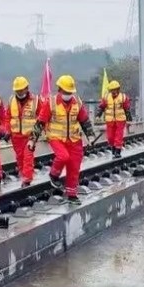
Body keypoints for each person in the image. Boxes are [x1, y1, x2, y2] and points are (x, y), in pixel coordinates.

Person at [30, 75, 95, 204]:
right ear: (59, 89)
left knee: (74, 166)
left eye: (70, 92)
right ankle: (54, 174)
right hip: (56, 138)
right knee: (63, 157)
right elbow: (40, 122)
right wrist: (32, 140)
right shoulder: (51, 102)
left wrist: (90, 136)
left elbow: (84, 121)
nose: (68, 94)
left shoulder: (77, 102)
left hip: (74, 139)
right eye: (65, 92)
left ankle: (72, 194)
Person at [8, 76, 38, 186]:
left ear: (27, 88)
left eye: (21, 89)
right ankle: (23, 175)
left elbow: (42, 117)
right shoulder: (11, 100)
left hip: (30, 136)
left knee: (28, 156)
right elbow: (8, 117)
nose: (19, 92)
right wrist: (7, 130)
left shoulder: (35, 101)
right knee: (20, 157)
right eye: (17, 90)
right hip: (16, 136)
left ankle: (27, 179)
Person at [98, 80, 131, 158]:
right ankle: (113, 148)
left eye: (115, 89)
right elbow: (102, 107)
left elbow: (127, 109)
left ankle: (118, 151)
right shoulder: (106, 97)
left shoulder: (123, 97)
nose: (114, 91)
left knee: (118, 136)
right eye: (112, 90)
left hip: (120, 120)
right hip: (110, 120)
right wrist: (98, 115)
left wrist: (129, 119)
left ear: (118, 89)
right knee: (110, 137)